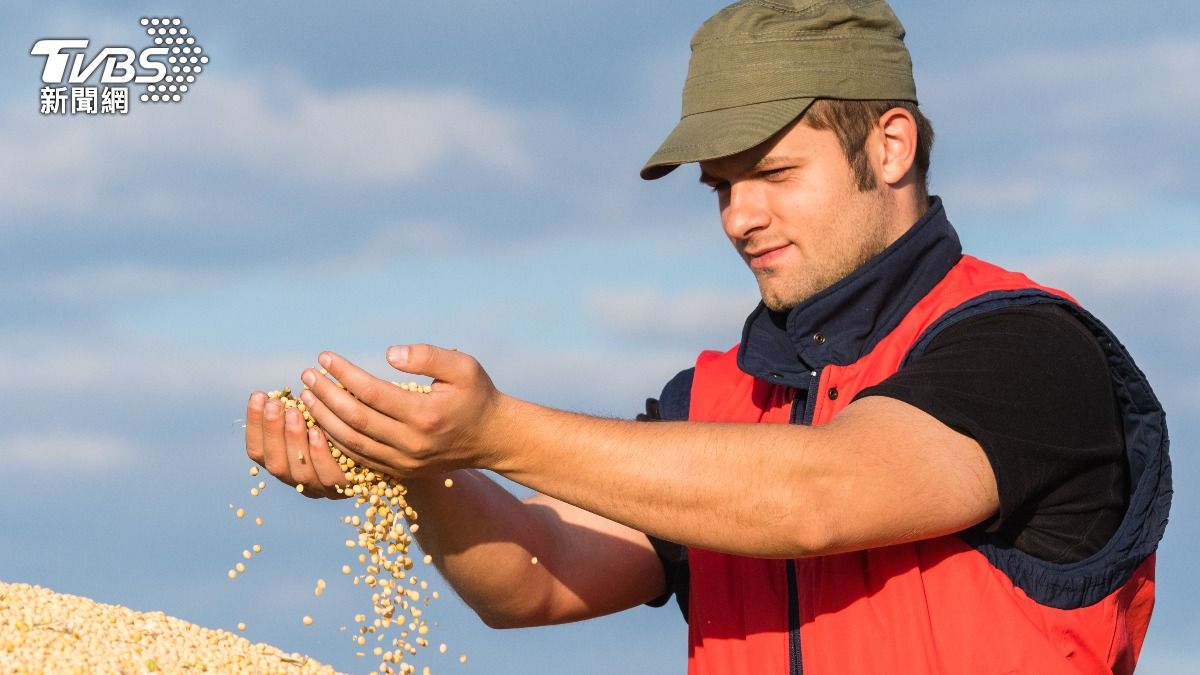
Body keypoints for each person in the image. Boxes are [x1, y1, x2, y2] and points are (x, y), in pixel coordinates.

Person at [245, 1, 1171, 672]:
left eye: (773, 173)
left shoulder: (1030, 351)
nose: (738, 216)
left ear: (890, 147)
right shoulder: (717, 404)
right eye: (722, 185)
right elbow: (533, 577)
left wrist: (494, 430)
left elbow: (818, 496)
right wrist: (418, 464)